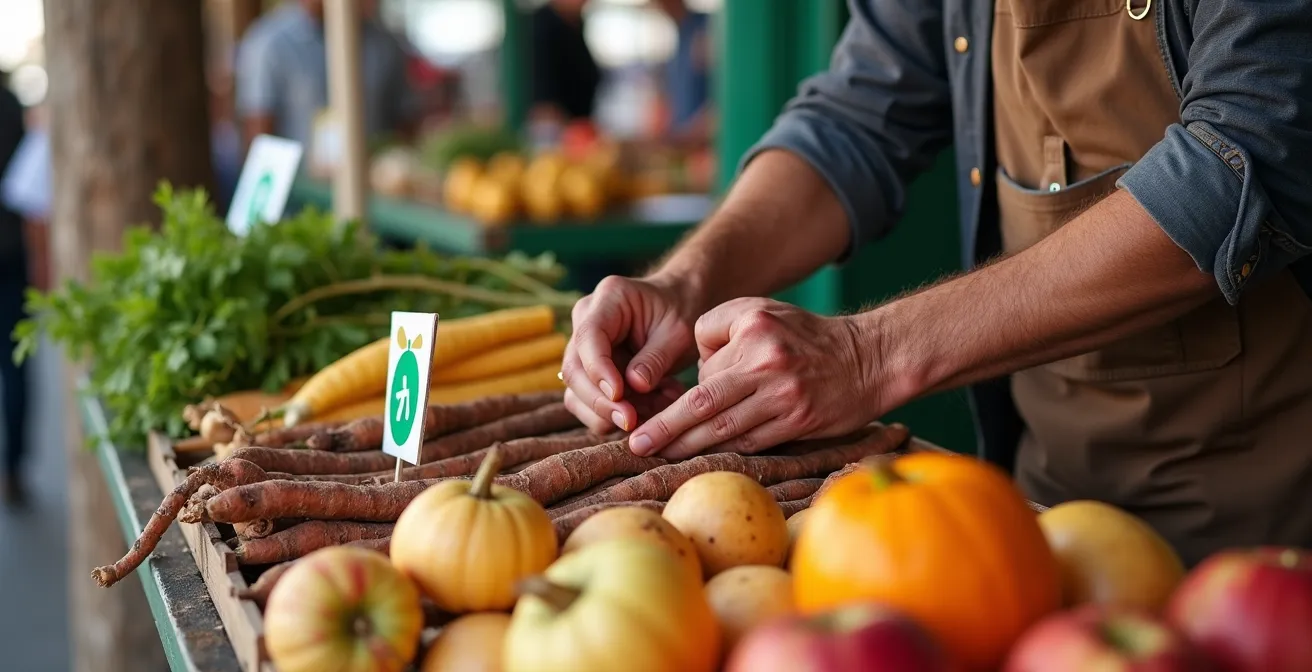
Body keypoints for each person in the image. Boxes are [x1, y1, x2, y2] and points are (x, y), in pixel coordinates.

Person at [561, 0, 1312, 568]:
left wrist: (866, 354)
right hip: (1046, 516)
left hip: (1262, 538)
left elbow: (1248, 153)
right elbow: (854, 120)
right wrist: (685, 284)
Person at [235, 0, 420, 152]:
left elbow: (405, 123)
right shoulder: (269, 43)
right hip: (301, 191)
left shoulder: (383, 44)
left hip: (372, 189)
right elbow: (258, 133)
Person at [0, 82, 30, 506]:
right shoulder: (7, 101)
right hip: (10, 249)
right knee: (15, 366)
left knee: (16, 368)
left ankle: (14, 469)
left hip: (10, 252)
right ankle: (13, 470)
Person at [529, 0, 601, 128]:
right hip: (555, 128)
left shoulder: (576, 23)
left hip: (578, 127)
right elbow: (543, 98)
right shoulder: (541, 25)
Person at [653, 0, 712, 144]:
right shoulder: (677, 38)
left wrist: (696, 130)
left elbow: (728, 94)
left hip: (706, 144)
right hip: (684, 144)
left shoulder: (707, 29)